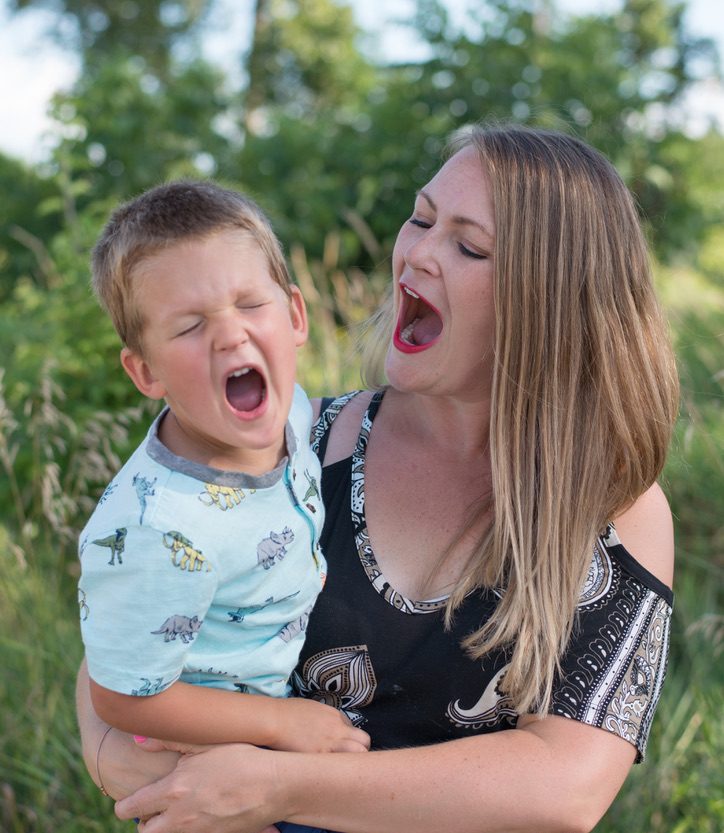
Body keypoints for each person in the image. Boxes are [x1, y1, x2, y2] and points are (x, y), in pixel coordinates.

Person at [76, 123, 679, 833]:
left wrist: (280, 785)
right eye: (420, 218)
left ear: (547, 299)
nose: (416, 253)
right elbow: (122, 646)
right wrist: (116, 750)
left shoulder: (612, 508)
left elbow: (564, 785)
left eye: (468, 245)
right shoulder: (296, 446)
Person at [77, 180, 369, 833]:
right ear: (145, 371)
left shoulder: (289, 411)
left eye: (249, 304)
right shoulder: (162, 528)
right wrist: (281, 723)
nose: (230, 335)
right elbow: (122, 695)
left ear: (295, 316)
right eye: (190, 324)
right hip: (193, 735)